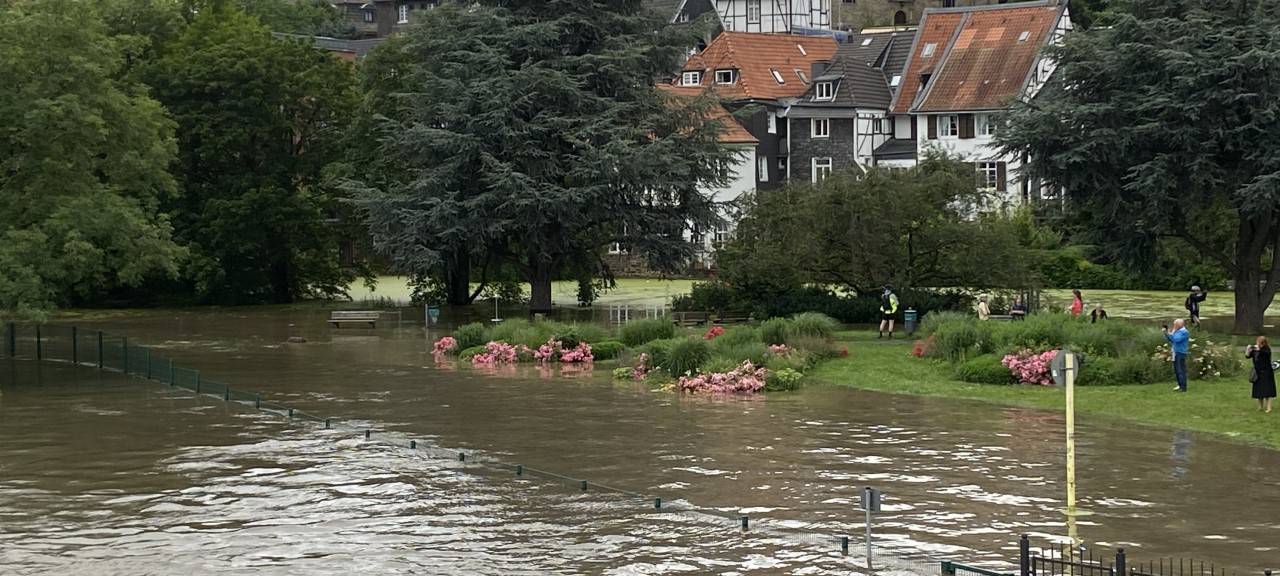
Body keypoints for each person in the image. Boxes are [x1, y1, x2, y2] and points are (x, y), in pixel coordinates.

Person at [1245, 336, 1276, 413]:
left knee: (1267, 391)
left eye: (1259, 342)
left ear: (1263, 343)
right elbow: (1247, 356)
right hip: (1257, 372)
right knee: (1259, 391)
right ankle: (1260, 407)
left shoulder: (1266, 350)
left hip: (1266, 372)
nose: (1257, 343)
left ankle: (1269, 408)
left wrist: (1258, 349)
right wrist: (1248, 350)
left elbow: (1265, 354)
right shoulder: (1255, 350)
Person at [1163, 319, 1190, 392]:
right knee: (1177, 370)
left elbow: (1176, 339)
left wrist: (1171, 332)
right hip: (1175, 352)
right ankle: (1179, 385)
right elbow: (1171, 340)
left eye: (1175, 324)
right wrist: (1166, 333)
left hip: (1180, 353)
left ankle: (1183, 387)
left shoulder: (1184, 332)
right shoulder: (1177, 331)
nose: (1174, 326)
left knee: (1181, 370)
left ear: (1179, 325)